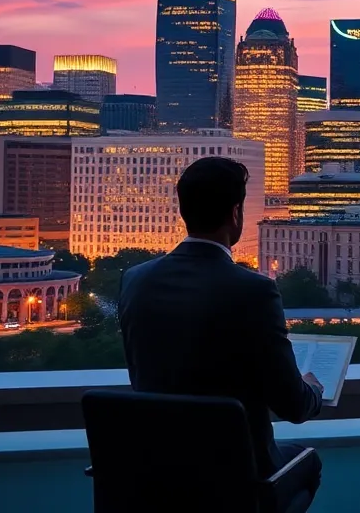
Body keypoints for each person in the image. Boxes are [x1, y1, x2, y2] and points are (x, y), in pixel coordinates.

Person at [119, 157, 324, 508]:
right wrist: (314, 389)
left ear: (183, 211)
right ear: (235, 213)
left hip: (159, 475)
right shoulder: (254, 291)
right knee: (309, 462)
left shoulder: (135, 280)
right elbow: (293, 405)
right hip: (241, 479)